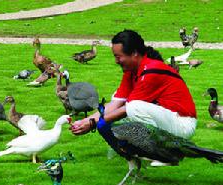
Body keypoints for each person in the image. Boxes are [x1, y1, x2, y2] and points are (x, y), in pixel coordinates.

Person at [71, 29, 197, 165]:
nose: (116, 61)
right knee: (120, 112)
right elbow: (116, 104)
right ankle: (140, 155)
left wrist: (92, 123)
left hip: (182, 123)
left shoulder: (151, 70)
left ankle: (163, 154)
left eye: (118, 56)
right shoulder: (131, 71)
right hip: (166, 118)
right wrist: (86, 120)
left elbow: (127, 109)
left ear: (134, 54)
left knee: (133, 108)